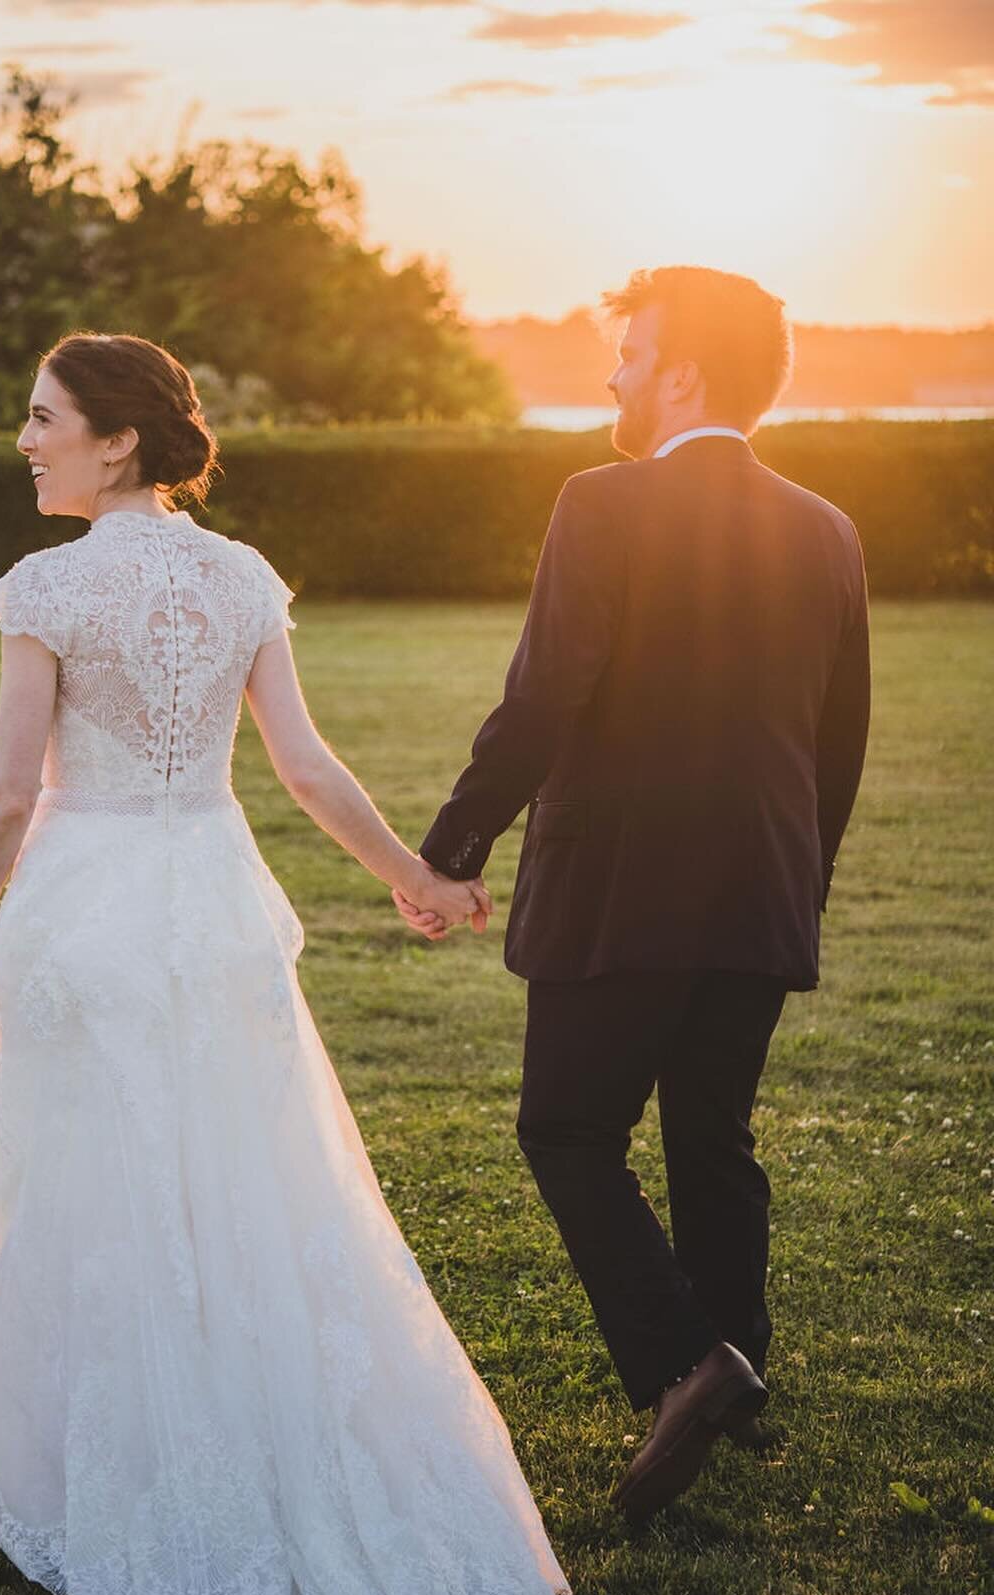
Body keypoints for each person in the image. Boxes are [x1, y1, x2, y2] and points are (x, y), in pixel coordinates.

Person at [0, 331, 571, 1595]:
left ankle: (93, 1483)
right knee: (245, 1178)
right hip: (216, 903)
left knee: (92, 1189)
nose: (26, 438)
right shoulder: (241, 582)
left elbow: (11, 790)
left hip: (88, 909)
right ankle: (270, 1448)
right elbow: (303, 767)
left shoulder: (51, 592)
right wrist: (412, 873)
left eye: (43, 415)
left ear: (116, 441)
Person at [399, 266, 871, 1526]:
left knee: (567, 1130)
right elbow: (841, 746)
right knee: (711, 1138)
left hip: (621, 894)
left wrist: (453, 847)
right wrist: (795, 890)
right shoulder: (827, 528)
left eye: (629, 351)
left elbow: (545, 698)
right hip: (763, 900)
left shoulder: (601, 503)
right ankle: (742, 1382)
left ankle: (687, 1366)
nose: (612, 375)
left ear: (683, 373)